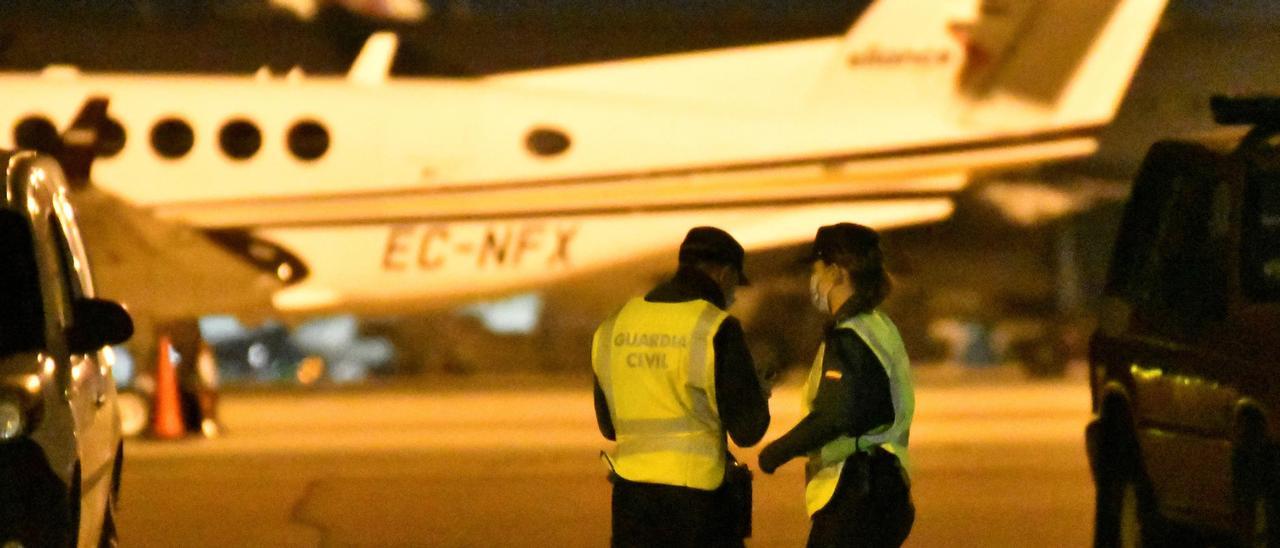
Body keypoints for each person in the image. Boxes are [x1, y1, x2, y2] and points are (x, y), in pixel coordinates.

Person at [592, 226, 771, 548]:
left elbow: (609, 426)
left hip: (631, 502)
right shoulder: (716, 327)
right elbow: (749, 430)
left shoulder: (615, 324)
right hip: (699, 504)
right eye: (735, 283)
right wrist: (756, 392)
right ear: (723, 273)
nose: (734, 294)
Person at [758, 223, 915, 548]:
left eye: (816, 271)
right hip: (887, 486)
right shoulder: (878, 326)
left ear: (837, 272)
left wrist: (776, 452)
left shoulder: (849, 337)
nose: (812, 282)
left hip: (854, 492)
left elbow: (835, 415)